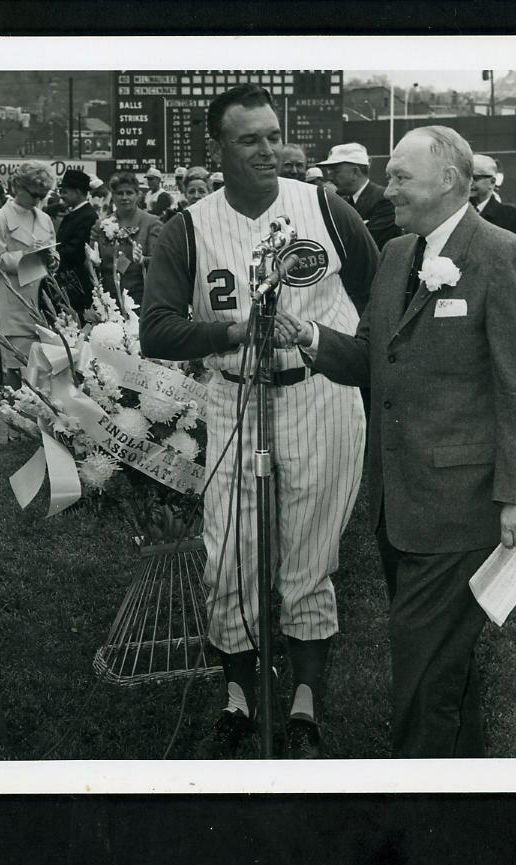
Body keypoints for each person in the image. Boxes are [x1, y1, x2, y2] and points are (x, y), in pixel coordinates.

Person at [273, 125, 516, 759]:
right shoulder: (399, 253)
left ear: (450, 179)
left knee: (422, 674)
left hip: (462, 505)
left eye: (402, 176)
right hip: (397, 506)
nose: (390, 187)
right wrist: (312, 339)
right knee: (444, 666)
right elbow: (375, 358)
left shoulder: (503, 254)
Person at [141, 84, 378, 759]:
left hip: (318, 392)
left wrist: (354, 352)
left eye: (273, 135)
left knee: (309, 556)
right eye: (250, 139)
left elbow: (378, 291)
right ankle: (237, 697)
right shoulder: (186, 225)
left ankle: (303, 702)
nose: (268, 149)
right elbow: (155, 329)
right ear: (217, 148)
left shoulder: (324, 207)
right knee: (229, 559)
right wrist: (232, 326)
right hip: (235, 393)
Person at [0, 161, 57, 390]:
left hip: (43, 304)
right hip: (14, 305)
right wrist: (26, 255)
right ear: (18, 186)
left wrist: (52, 259)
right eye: (34, 193)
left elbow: (53, 253)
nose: (38, 199)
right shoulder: (1, 218)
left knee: (46, 372)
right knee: (18, 371)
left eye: (43, 195)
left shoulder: (44, 218)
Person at [91, 171, 162, 308]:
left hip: (141, 298)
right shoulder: (101, 225)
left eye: (129, 193)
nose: (124, 197)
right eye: (119, 193)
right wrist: (92, 262)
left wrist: (143, 260)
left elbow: (161, 261)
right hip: (108, 300)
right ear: (112, 195)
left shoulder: (152, 223)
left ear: (138, 194)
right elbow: (89, 262)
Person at [317, 142, 402, 250]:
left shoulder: (384, 200)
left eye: (335, 172)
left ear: (355, 172)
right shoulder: (346, 201)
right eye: (329, 172)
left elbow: (365, 244)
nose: (330, 177)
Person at [52, 168, 99, 321]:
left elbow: (76, 251)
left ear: (78, 192)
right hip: (67, 282)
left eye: (65, 191)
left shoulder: (88, 216)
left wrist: (52, 255)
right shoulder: (75, 214)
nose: (62, 196)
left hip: (77, 284)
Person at [470, 154, 516, 246]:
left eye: (476, 178)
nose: (470, 182)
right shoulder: (453, 213)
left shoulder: (515, 218)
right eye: (467, 177)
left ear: (492, 182)